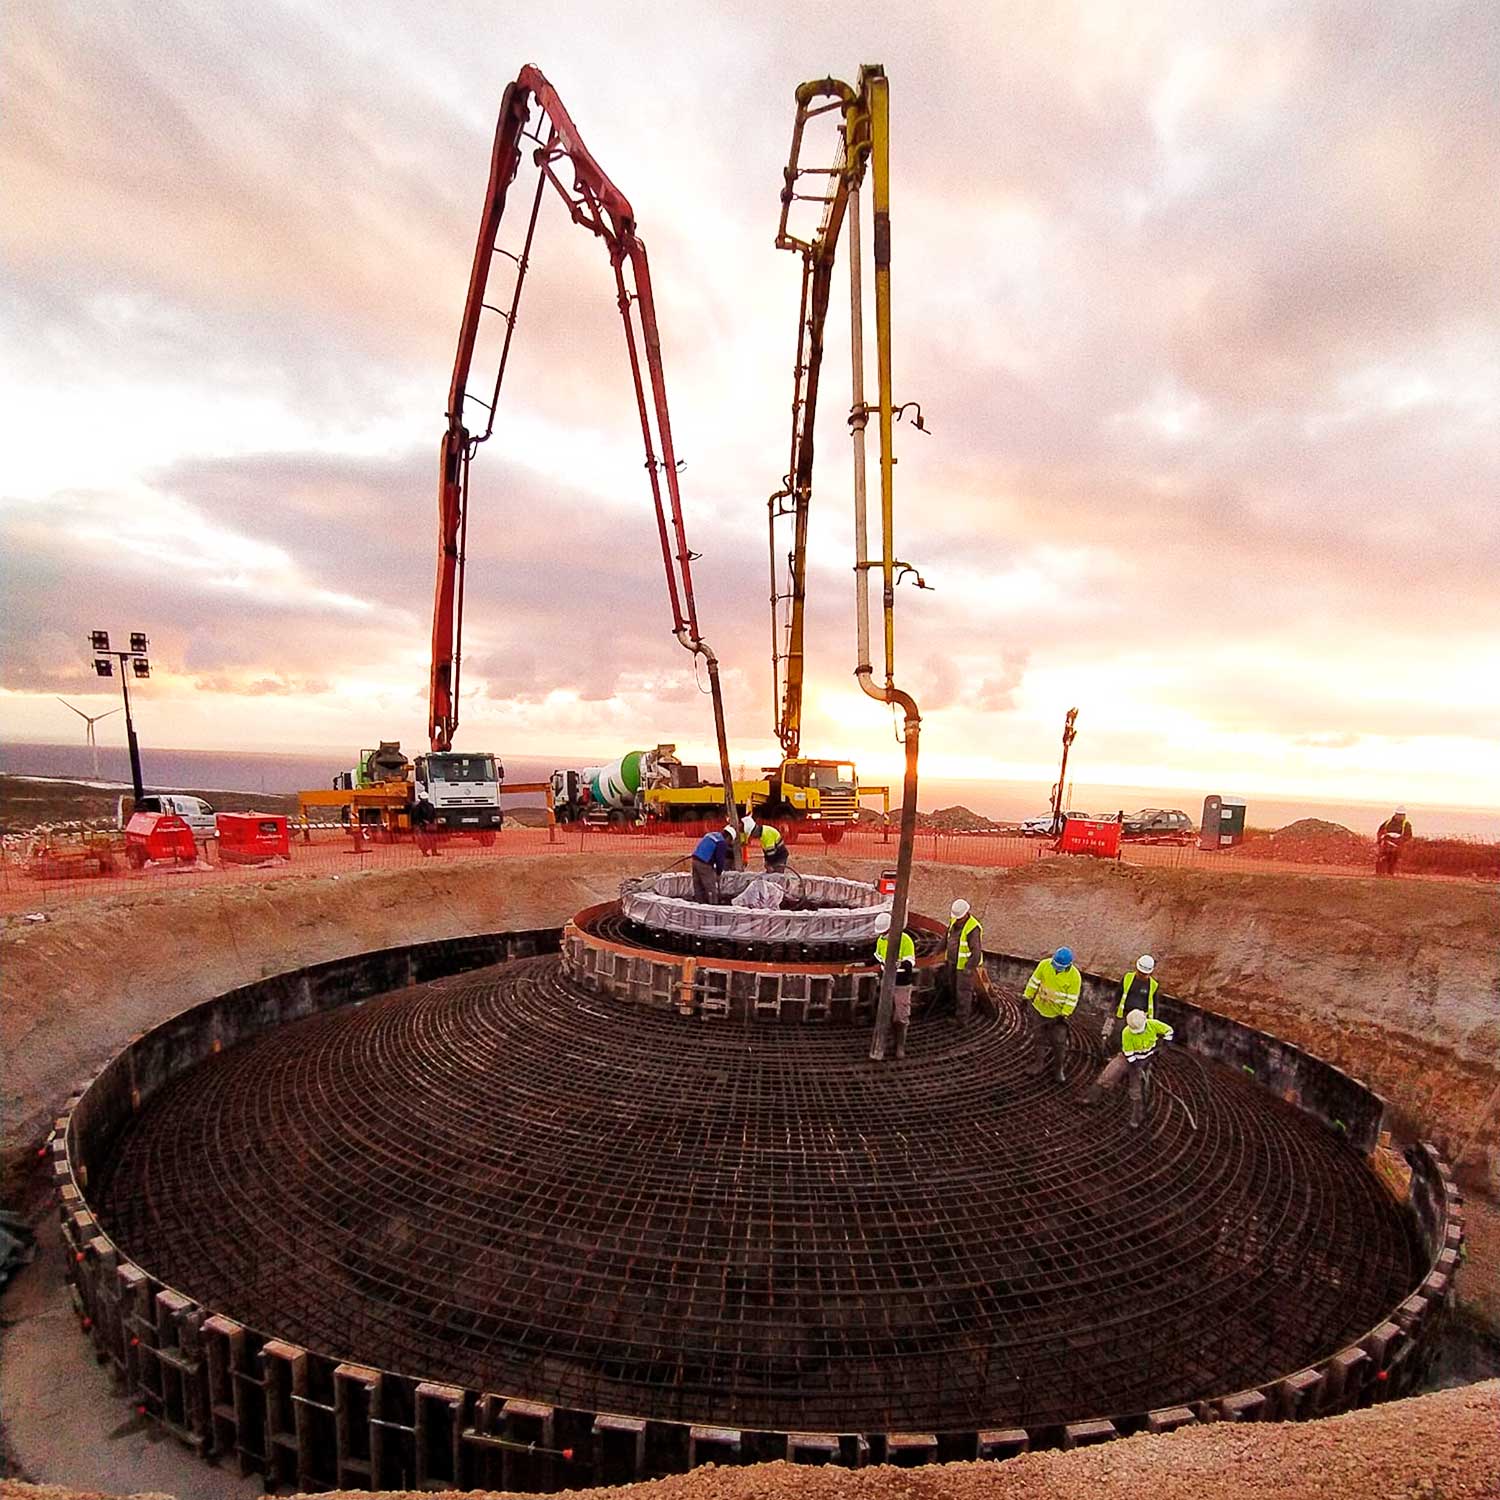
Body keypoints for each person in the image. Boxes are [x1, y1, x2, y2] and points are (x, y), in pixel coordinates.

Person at [1085, 1008, 1175, 1127]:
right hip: (1128, 1058)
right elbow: (1129, 1054)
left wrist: (1166, 1044)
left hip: (1145, 1060)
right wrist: (1136, 1066)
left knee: (1136, 1090)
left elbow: (1169, 1030)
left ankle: (1137, 1117)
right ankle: (1090, 1098)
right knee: (1108, 1074)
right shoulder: (1127, 1032)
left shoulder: (1153, 1025)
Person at [1024, 946, 1081, 1083]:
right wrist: (1026, 997)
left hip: (1058, 1017)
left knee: (1059, 1043)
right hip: (1039, 1009)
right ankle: (1038, 1064)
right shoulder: (1044, 965)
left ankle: (1058, 1070)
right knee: (1038, 1038)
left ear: (1068, 965)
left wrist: (1064, 1014)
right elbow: (1034, 982)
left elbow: (1072, 999)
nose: (1056, 969)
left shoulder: (1074, 977)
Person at [873, 911, 917, 1059]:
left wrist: (900, 964)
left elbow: (910, 964)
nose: (883, 935)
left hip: (901, 984)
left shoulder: (905, 940)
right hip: (886, 983)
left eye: (885, 932)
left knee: (901, 1015)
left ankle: (900, 1045)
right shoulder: (881, 941)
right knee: (887, 1013)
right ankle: (889, 1041)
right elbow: (878, 958)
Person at [1100, 954, 1157, 1050]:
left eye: (1144, 974)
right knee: (1117, 1038)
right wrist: (1111, 1011)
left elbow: (1155, 1006)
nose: (1141, 975)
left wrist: (1152, 1024)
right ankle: (1111, 1052)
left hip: (1139, 1020)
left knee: (1133, 1042)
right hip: (1123, 1015)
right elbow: (1118, 995)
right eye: (1140, 973)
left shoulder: (1153, 986)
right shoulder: (1128, 978)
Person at [946, 898, 986, 1023]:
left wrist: (968, 968)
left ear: (965, 914)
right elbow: (946, 937)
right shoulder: (954, 921)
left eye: (959, 918)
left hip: (964, 966)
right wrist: (936, 951)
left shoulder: (973, 928)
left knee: (963, 991)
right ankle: (954, 1008)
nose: (957, 920)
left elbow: (976, 952)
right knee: (953, 987)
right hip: (953, 962)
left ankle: (961, 1019)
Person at [690, 823, 736, 904]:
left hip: (695, 860)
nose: (729, 843)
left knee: (698, 885)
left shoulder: (711, 835)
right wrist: (718, 873)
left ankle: (699, 903)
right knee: (710, 887)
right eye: (730, 841)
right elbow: (720, 860)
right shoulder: (721, 842)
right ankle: (713, 905)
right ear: (729, 837)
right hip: (704, 864)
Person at [1376, 807, 1412, 876]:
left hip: (1397, 845)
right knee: (1381, 858)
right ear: (1395, 814)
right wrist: (1380, 839)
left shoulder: (1406, 824)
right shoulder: (1388, 822)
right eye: (1399, 814)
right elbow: (1380, 831)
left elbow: (1408, 836)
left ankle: (1390, 874)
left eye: (1402, 815)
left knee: (1393, 859)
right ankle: (1379, 874)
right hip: (1386, 843)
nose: (1401, 816)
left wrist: (1399, 841)